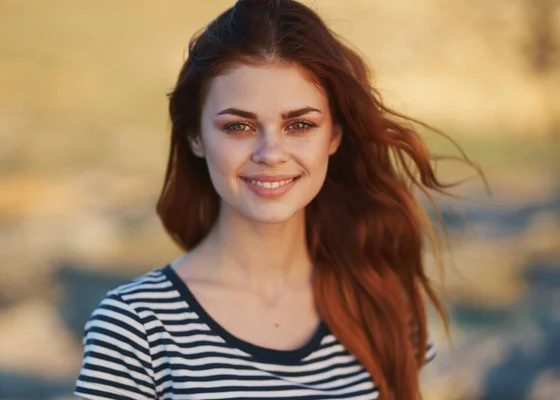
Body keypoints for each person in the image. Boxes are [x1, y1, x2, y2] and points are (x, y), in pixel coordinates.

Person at [74, 0, 483, 398]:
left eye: (300, 124)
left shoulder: (381, 301)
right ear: (196, 137)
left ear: (334, 136)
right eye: (238, 126)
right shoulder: (135, 326)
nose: (271, 154)